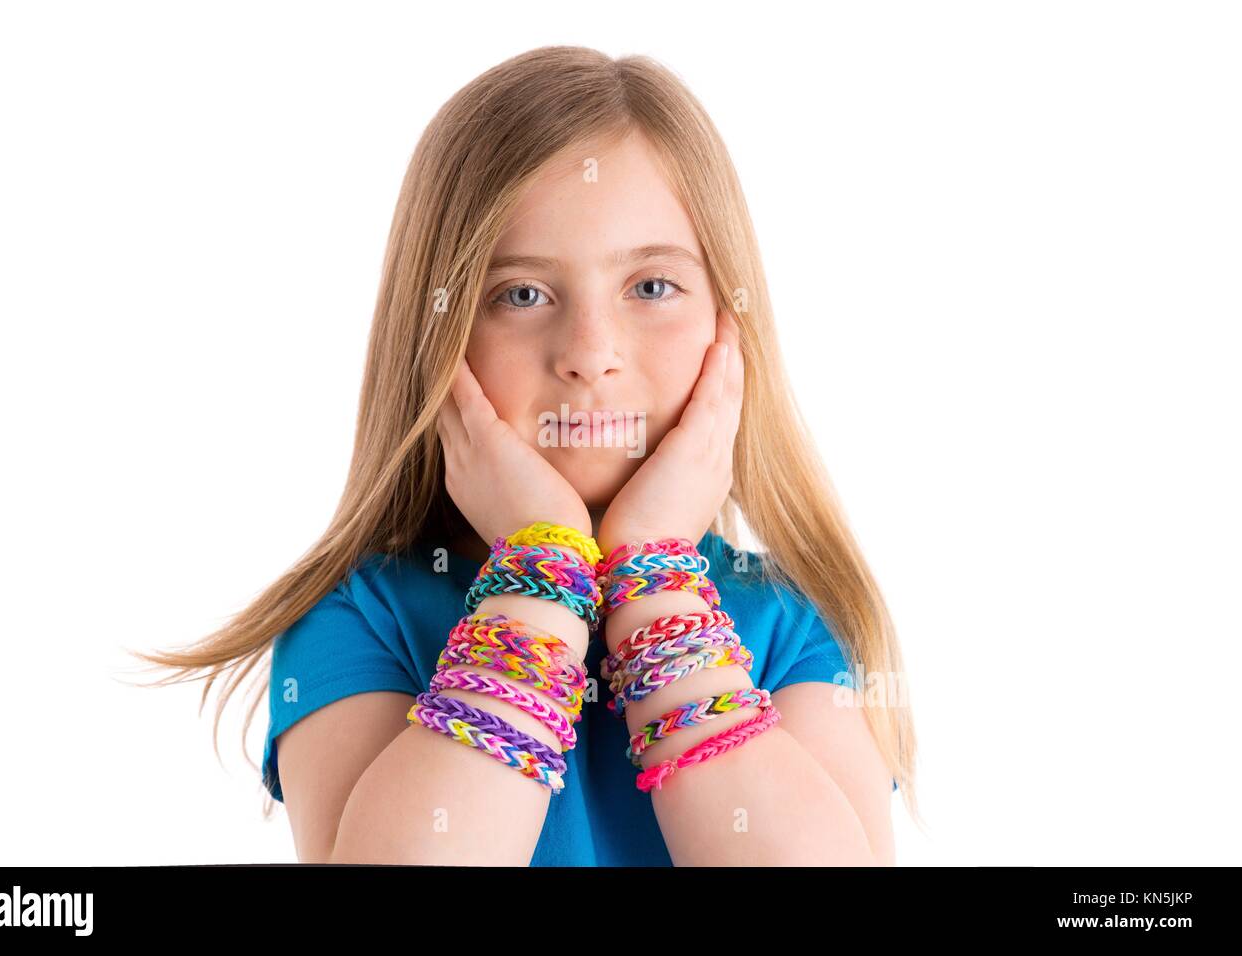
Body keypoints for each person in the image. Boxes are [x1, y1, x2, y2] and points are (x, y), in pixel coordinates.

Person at [130, 45, 919, 866]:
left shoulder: (792, 624)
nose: (590, 352)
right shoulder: (360, 621)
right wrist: (541, 572)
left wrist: (654, 587)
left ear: (731, 324)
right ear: (437, 341)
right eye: (522, 295)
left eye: (651, 287)